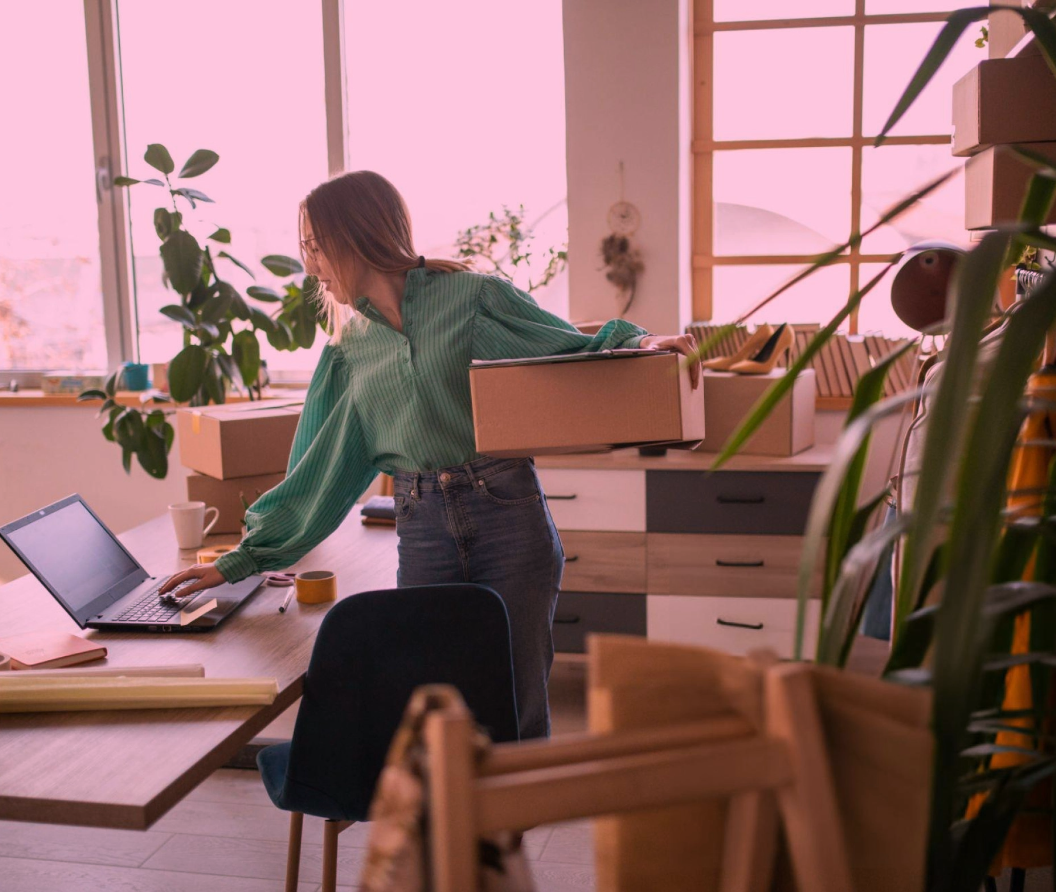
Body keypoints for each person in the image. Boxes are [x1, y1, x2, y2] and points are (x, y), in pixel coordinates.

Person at [158, 170, 699, 738]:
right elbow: (318, 472)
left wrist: (640, 344)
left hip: (508, 517)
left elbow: (565, 347)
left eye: (315, 247)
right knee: (436, 714)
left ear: (355, 235)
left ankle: (516, 799)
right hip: (423, 532)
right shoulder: (349, 351)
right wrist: (240, 560)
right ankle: (452, 801)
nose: (310, 265)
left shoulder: (473, 298)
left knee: (516, 706)